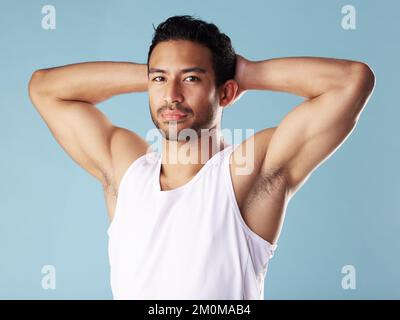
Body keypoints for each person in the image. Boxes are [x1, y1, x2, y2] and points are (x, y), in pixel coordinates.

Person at [28, 15, 375, 300]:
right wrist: (161, 72)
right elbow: (44, 88)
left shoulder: (246, 175)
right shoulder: (127, 172)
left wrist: (243, 73)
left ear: (226, 92)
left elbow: (351, 81)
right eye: (160, 80)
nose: (172, 96)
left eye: (191, 79)